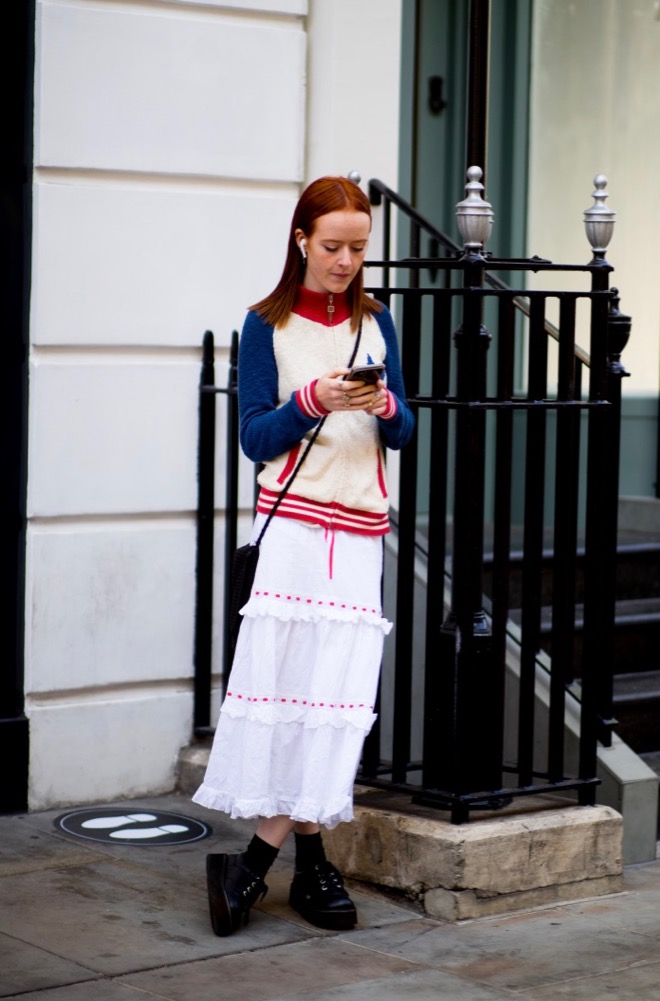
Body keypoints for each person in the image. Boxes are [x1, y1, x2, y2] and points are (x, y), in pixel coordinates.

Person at [193, 175, 415, 937]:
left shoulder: (378, 323)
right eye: (332, 246)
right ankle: (310, 867)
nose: (346, 260)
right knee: (290, 695)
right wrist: (313, 401)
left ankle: (255, 861)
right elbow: (255, 435)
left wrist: (385, 406)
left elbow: (405, 429)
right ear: (301, 241)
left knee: (336, 702)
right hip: (291, 531)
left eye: (358, 246)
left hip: (359, 532)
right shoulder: (268, 325)